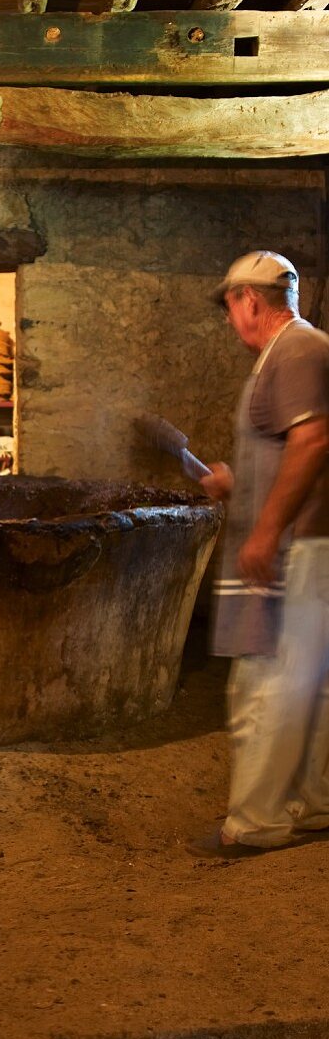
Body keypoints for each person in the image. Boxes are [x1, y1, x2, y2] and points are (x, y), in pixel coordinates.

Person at [189, 250, 329, 859]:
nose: (228, 320)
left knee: (266, 682)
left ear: (249, 300)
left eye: (229, 306)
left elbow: (314, 440)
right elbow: (290, 452)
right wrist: (236, 485)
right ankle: (314, 804)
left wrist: (267, 531)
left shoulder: (297, 349)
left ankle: (256, 823)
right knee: (312, 685)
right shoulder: (297, 352)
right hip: (309, 545)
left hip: (300, 548)